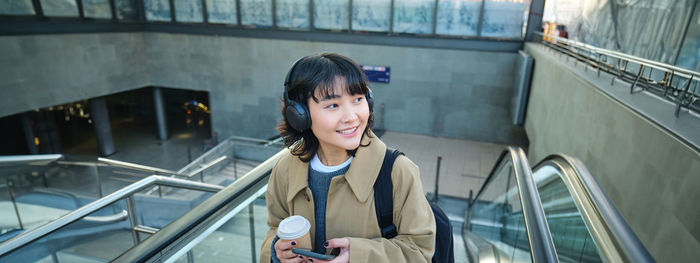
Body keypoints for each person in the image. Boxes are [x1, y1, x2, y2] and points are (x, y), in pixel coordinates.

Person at [260, 53, 435, 263]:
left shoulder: (397, 171)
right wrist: (276, 251)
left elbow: (420, 251)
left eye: (358, 100)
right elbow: (274, 227)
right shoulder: (285, 167)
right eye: (333, 105)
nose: (352, 117)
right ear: (299, 114)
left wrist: (359, 256)